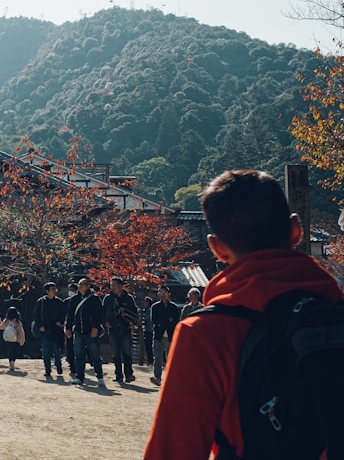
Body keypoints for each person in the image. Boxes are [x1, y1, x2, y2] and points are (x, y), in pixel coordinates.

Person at [144, 169, 344, 459]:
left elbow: (173, 451)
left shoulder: (204, 334)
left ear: (217, 248)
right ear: (295, 231)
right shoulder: (334, 314)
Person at [67, 278, 105, 386]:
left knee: (95, 355)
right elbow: (70, 315)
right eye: (79, 284)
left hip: (91, 331)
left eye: (83, 284)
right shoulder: (74, 299)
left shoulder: (94, 299)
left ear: (88, 286)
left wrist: (96, 327)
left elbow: (99, 314)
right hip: (78, 331)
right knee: (78, 355)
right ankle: (79, 377)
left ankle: (100, 376)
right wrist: (68, 328)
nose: (80, 286)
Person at [102, 276, 138, 383]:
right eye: (111, 285)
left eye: (114, 285)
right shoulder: (108, 298)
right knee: (115, 354)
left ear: (121, 286)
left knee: (127, 352)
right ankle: (118, 375)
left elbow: (134, 312)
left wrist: (133, 323)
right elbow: (103, 312)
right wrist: (105, 323)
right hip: (113, 328)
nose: (112, 287)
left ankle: (128, 374)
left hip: (126, 328)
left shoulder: (129, 298)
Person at [32, 282, 66, 379]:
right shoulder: (41, 301)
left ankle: (59, 366)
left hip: (55, 329)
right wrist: (39, 325)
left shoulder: (59, 302)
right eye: (52, 289)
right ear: (47, 291)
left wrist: (60, 321)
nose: (55, 291)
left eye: (55, 289)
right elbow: (36, 315)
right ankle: (48, 370)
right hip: (45, 329)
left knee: (56, 350)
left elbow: (63, 314)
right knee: (46, 350)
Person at [148, 286, 180, 386]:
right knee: (157, 358)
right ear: (158, 294)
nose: (163, 294)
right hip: (158, 335)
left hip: (170, 335)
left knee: (170, 358)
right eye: (161, 292)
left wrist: (162, 322)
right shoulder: (155, 307)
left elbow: (175, 321)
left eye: (165, 292)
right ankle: (157, 377)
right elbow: (154, 320)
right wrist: (167, 321)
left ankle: (171, 378)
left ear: (169, 294)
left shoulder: (174, 307)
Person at [0, 306, 26, 371]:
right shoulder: (18, 322)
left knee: (10, 351)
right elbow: (21, 331)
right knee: (15, 351)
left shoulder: (6, 321)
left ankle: (10, 362)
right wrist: (22, 339)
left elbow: (1, 327)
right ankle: (13, 360)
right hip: (16, 339)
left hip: (8, 339)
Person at [140, 295, 155, 367]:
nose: (143, 303)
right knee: (148, 346)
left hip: (149, 330)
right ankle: (149, 361)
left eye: (145, 302)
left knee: (148, 346)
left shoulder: (148, 310)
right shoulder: (147, 310)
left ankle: (151, 361)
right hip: (148, 329)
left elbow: (147, 320)